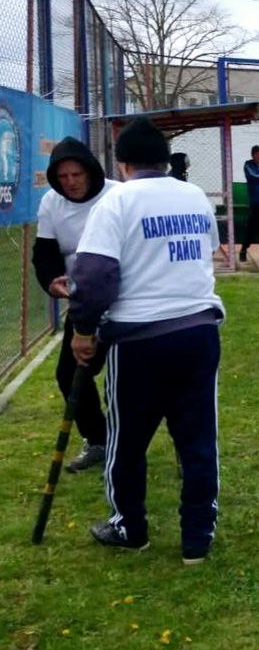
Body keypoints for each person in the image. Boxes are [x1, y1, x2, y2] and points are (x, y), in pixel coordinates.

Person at [68, 117, 225, 565]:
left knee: (127, 440)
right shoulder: (193, 195)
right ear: (164, 160)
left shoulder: (118, 201)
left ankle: (129, 527)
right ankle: (198, 537)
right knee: (197, 440)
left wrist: (83, 330)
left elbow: (94, 276)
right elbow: (205, 248)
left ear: (122, 164)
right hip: (198, 332)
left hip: (139, 339)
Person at [32, 137, 119, 472]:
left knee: (133, 379)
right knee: (69, 375)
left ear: (91, 171)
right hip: (84, 304)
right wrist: (52, 281)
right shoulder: (51, 204)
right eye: (63, 177)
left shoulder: (116, 196)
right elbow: (45, 254)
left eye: (77, 174)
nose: (70, 182)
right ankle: (98, 439)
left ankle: (180, 449)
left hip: (124, 303)